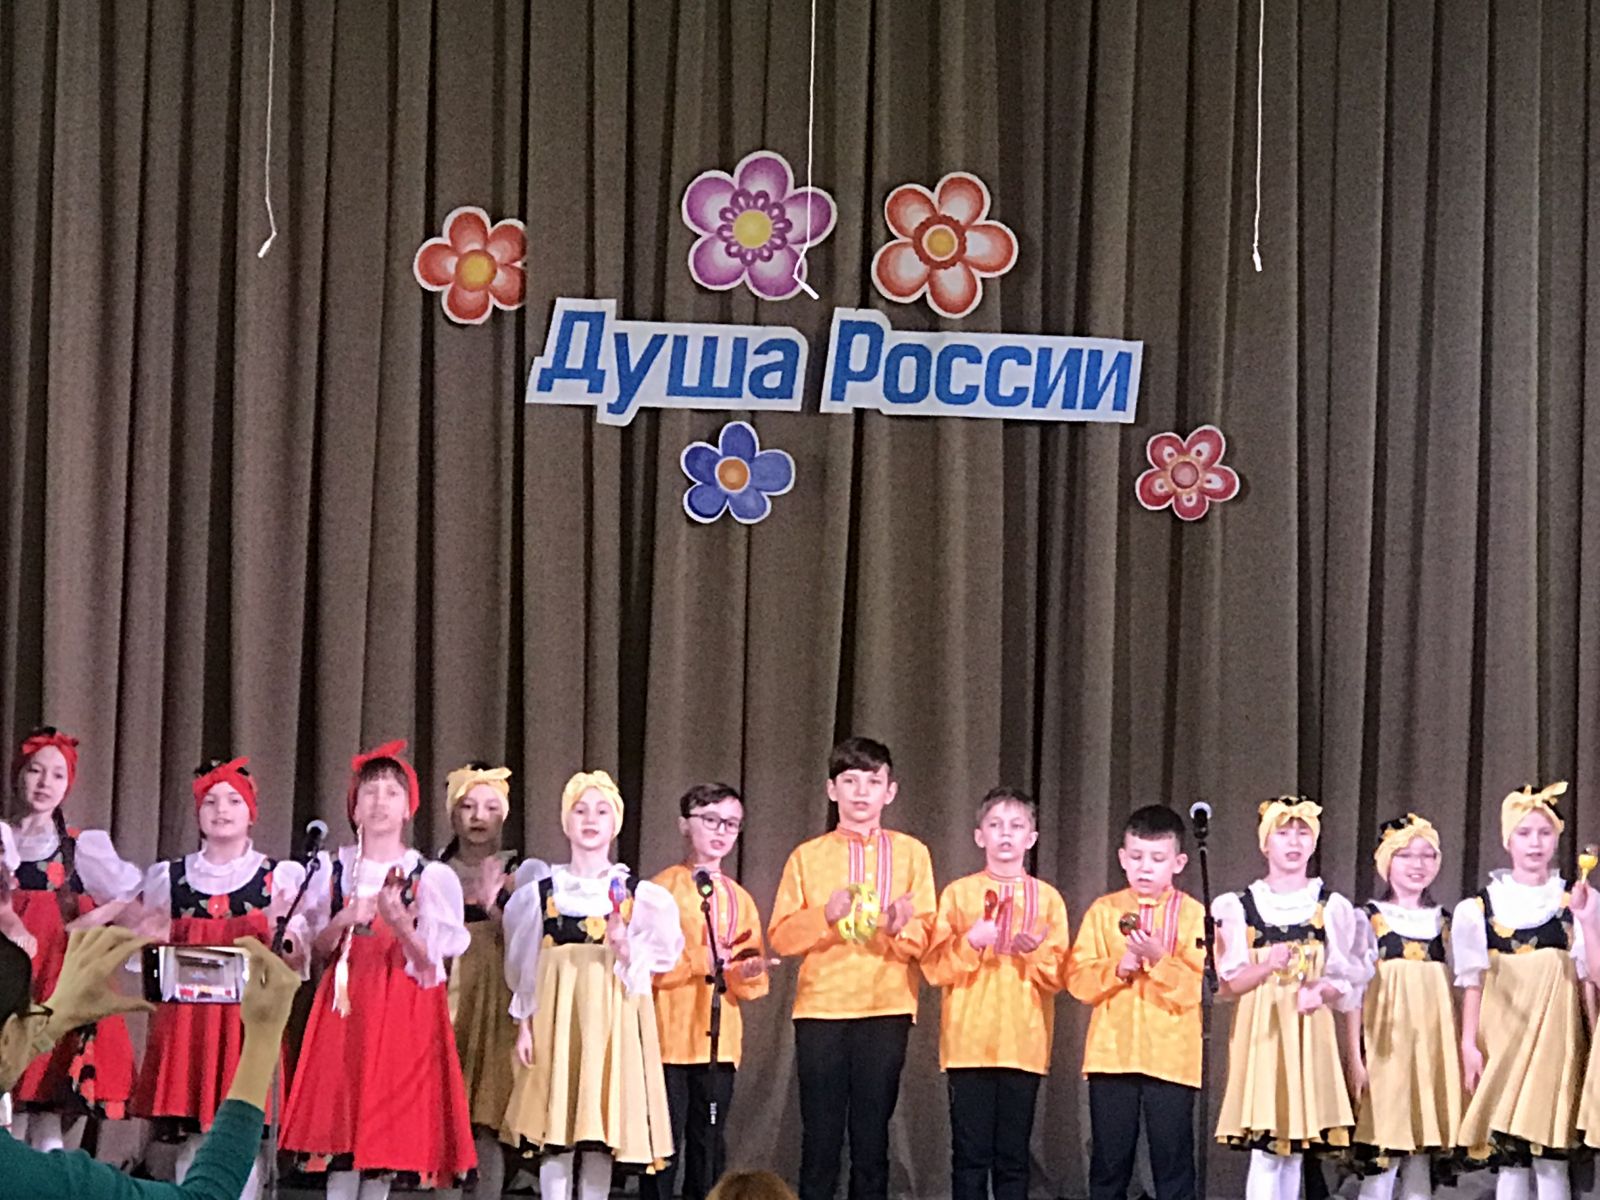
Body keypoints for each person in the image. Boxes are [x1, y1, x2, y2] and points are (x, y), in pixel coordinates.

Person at [277, 740, 476, 1200]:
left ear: (408, 809)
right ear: (354, 807)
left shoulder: (427, 875)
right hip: (346, 1008)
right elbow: (318, 952)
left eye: (391, 792)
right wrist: (344, 919)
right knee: (341, 1132)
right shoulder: (330, 869)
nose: (379, 801)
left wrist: (401, 923)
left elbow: (431, 965)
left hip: (403, 1009)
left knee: (384, 1139)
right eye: (370, 791)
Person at [0, 925, 305, 1199]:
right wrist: (264, 1037)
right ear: (9, 1035)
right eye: (34, 1014)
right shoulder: (49, 1181)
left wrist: (53, 1021)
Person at [129, 757, 310, 1200]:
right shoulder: (170, 877)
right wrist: (149, 934)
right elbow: (147, 960)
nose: (221, 810)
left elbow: (296, 960)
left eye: (233, 800)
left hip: (245, 1023)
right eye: (210, 801)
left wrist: (283, 928)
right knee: (193, 1140)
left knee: (240, 1134)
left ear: (251, 811)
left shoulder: (277, 878)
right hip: (189, 1027)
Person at [767, 736, 937, 1200]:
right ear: (831, 789)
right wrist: (825, 914)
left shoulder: (912, 853)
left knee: (872, 1135)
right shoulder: (808, 856)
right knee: (820, 1135)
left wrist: (900, 928)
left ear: (890, 791)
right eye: (850, 781)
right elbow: (781, 936)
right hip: (821, 1009)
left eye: (873, 782)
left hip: (886, 1007)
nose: (861, 792)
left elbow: (928, 932)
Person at [501, 770, 682, 1200]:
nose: (590, 819)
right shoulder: (541, 893)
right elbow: (524, 966)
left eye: (601, 811)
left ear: (615, 823)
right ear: (566, 821)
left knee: (600, 1129)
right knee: (555, 1128)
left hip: (610, 1022)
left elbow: (661, 958)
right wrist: (524, 1025)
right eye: (580, 810)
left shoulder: (637, 895)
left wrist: (624, 944)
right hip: (556, 1020)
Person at [922, 787, 1070, 1200]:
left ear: (1031, 838)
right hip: (968, 1046)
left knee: (1013, 1157)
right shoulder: (957, 894)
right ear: (979, 835)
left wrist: (1033, 952)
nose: (1006, 834)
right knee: (969, 1156)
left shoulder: (1048, 900)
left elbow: (1061, 977)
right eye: (995, 825)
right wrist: (971, 942)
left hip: (1023, 1045)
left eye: (1016, 826)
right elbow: (934, 969)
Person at [1212, 796, 1362, 1200]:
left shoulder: (1331, 906)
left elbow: (1346, 980)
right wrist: (1267, 966)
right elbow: (1229, 984)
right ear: (1265, 843)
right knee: (1266, 1152)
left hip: (1308, 1035)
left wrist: (1320, 990)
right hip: (1263, 1036)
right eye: (1283, 833)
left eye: (1303, 833)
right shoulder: (1239, 907)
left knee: (1294, 1150)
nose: (1294, 842)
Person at [5, 727, 142, 1151]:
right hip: (11, 971)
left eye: (57, 775)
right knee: (11, 1106)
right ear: (19, 775)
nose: (45, 783)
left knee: (45, 1107)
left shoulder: (80, 845)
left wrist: (88, 920)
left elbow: (127, 894)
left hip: (55, 974)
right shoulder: (3, 838)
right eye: (35, 771)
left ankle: (47, 1176)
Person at [1066, 804, 1206, 1200]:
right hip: (1112, 1056)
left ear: (1178, 863)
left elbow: (1197, 988)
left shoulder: (1192, 914)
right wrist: (1119, 968)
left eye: (1158, 859)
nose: (1146, 868)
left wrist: (1159, 959)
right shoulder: (1104, 911)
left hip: (1172, 1058)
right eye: (1137, 856)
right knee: (1109, 1163)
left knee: (1173, 1165)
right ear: (1122, 858)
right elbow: (1077, 980)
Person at [1455, 782, 1584, 1200]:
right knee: (1510, 1157)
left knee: (1550, 1158)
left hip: (1555, 1042)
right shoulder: (1480, 908)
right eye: (1524, 833)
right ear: (1507, 839)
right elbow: (1472, 981)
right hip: (1503, 1039)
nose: (1535, 843)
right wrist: (1468, 1043)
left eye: (1544, 833)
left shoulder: (1573, 901)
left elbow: (1591, 975)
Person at [642, 783, 771, 1200]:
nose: (721, 831)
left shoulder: (740, 898)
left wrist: (746, 971)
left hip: (719, 1042)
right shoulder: (660, 890)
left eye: (731, 824)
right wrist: (703, 960)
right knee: (661, 1148)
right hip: (667, 1039)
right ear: (685, 824)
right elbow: (647, 966)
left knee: (709, 1145)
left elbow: (749, 979)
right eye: (710, 820)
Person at [1339, 812, 1461, 1200]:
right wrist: (1355, 1056)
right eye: (1406, 855)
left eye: (1427, 855)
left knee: (1420, 1155)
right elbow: (1353, 993)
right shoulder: (1368, 919)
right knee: (1383, 1152)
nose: (1417, 864)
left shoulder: (1447, 923)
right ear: (1386, 861)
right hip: (1385, 1050)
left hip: (1431, 1052)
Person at [438, 761, 522, 1200]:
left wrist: (492, 905)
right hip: (448, 989)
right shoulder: (435, 870)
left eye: (490, 807)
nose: (478, 816)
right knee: (446, 1105)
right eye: (468, 806)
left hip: (498, 993)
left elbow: (531, 942)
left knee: (489, 1110)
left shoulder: (520, 871)